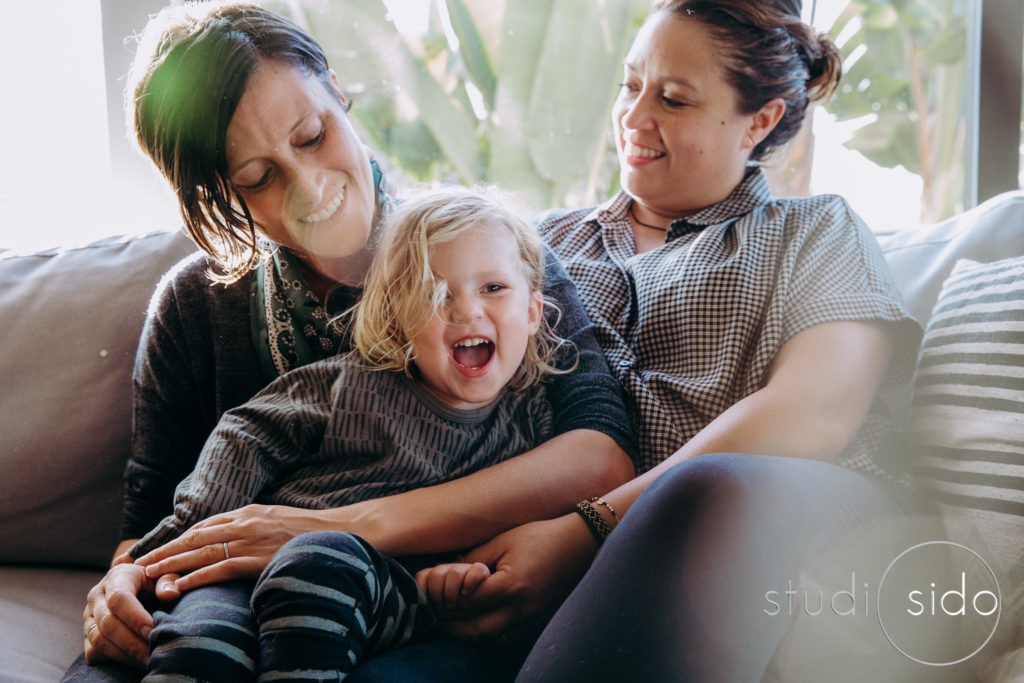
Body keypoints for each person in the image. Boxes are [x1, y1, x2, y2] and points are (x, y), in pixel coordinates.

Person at [68, 3, 633, 681]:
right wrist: (120, 584)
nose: (309, 187)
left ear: (338, 91)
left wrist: (347, 524)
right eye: (257, 178)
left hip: (415, 610)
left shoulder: (485, 252)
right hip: (216, 606)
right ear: (222, 194)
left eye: (311, 135)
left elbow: (599, 454)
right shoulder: (196, 307)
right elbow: (155, 508)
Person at [423, 1, 959, 680]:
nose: (634, 116)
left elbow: (813, 415)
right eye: (630, 85)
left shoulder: (816, 232)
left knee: (714, 492)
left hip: (792, 535)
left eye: (673, 99)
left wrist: (584, 528)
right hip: (570, 582)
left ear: (759, 121)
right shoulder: (537, 247)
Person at [115, 184, 618, 681]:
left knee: (318, 563)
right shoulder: (349, 383)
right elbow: (246, 434)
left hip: (382, 597)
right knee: (200, 640)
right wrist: (175, 541)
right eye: (435, 292)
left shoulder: (534, 425)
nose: (466, 310)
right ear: (399, 317)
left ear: (533, 311)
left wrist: (462, 574)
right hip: (245, 572)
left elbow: (518, 527)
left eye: (493, 288)